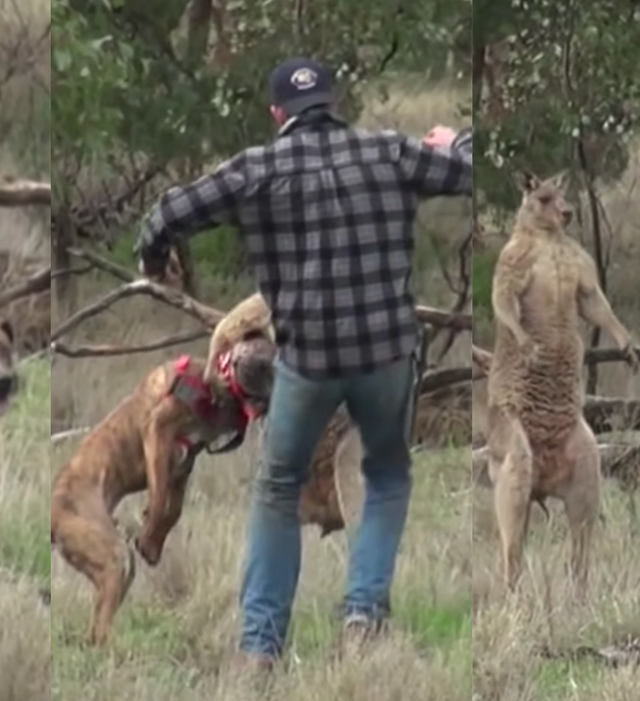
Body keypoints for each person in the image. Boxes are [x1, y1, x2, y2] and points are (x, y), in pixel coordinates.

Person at [133, 57, 473, 667]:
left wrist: (155, 262)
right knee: (386, 477)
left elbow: (166, 214)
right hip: (387, 356)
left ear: (276, 114)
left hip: (308, 361)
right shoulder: (388, 152)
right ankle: (363, 614)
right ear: (334, 104)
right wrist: (455, 141)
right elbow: (472, 171)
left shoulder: (256, 169)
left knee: (277, 488)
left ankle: (260, 647)